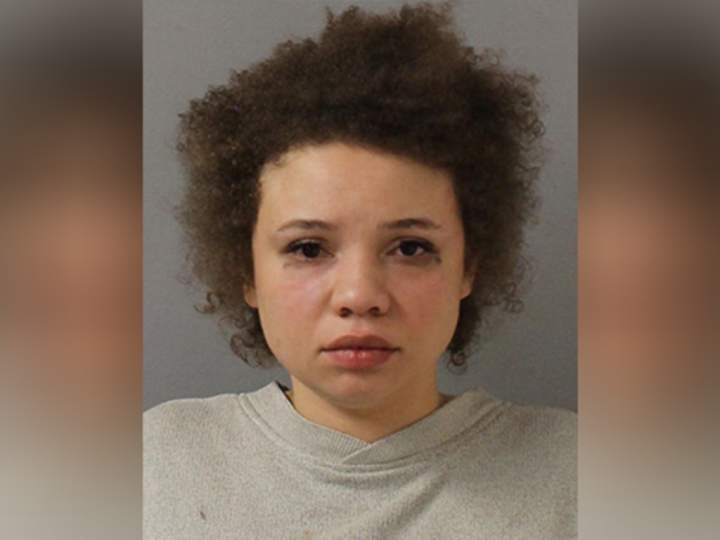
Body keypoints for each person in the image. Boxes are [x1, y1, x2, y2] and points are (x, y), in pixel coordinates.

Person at [144, 3, 576, 539]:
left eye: (411, 248)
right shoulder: (153, 466)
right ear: (247, 272)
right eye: (308, 249)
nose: (359, 295)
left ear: (469, 267)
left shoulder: (581, 478)